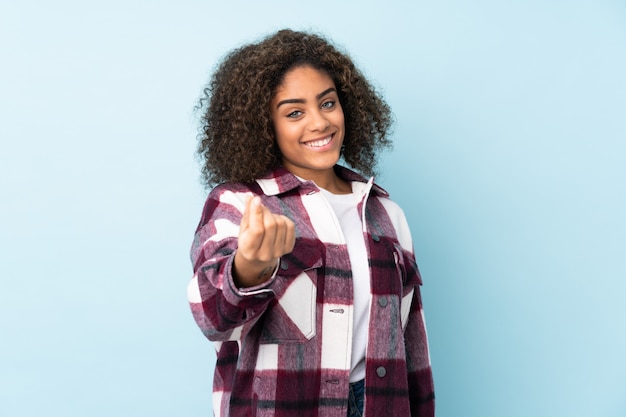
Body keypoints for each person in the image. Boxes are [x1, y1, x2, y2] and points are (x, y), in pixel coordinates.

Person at [188, 29, 434, 417]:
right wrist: (249, 268)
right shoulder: (240, 204)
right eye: (294, 112)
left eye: (328, 103)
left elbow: (411, 344)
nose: (320, 123)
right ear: (264, 125)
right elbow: (214, 321)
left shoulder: (387, 215)